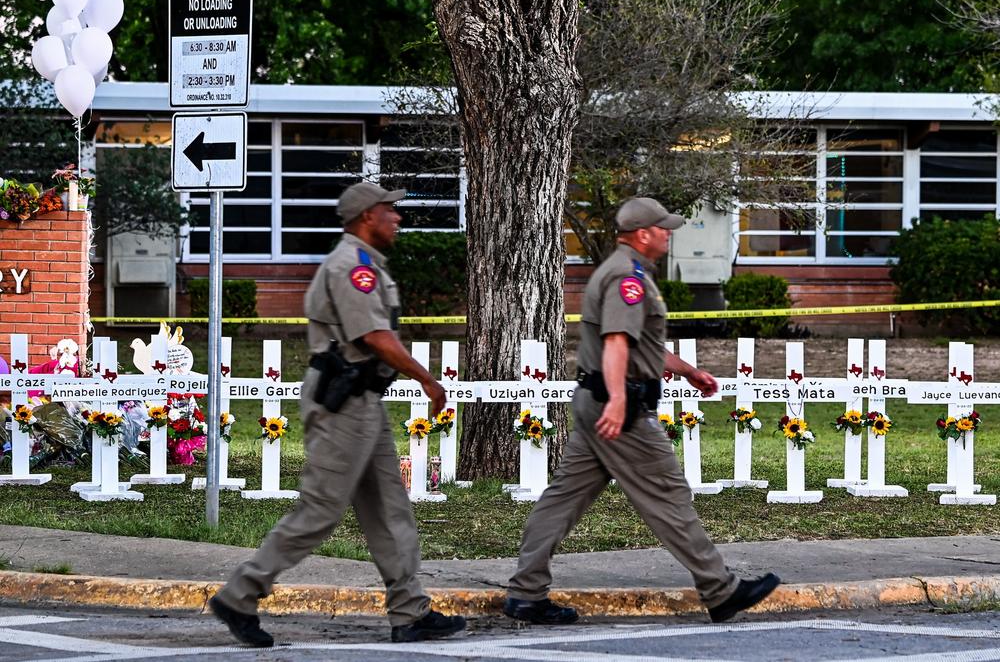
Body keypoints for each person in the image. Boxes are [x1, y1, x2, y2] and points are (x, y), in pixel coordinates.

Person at [210, 182, 466, 646]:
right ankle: (240, 593)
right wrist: (427, 378)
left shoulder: (365, 264)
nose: (398, 217)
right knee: (321, 510)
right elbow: (374, 337)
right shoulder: (353, 267)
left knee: (390, 509)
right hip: (342, 404)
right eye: (391, 209)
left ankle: (410, 612)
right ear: (367, 215)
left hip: (362, 400)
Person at [504, 197, 780, 625]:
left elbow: (638, 344)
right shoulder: (625, 277)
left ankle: (525, 593)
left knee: (562, 500)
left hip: (602, 401)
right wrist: (617, 401)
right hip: (623, 409)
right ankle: (720, 589)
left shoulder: (629, 273)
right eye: (663, 228)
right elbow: (617, 342)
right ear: (642, 234)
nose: (669, 234)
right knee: (668, 495)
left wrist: (687, 371)